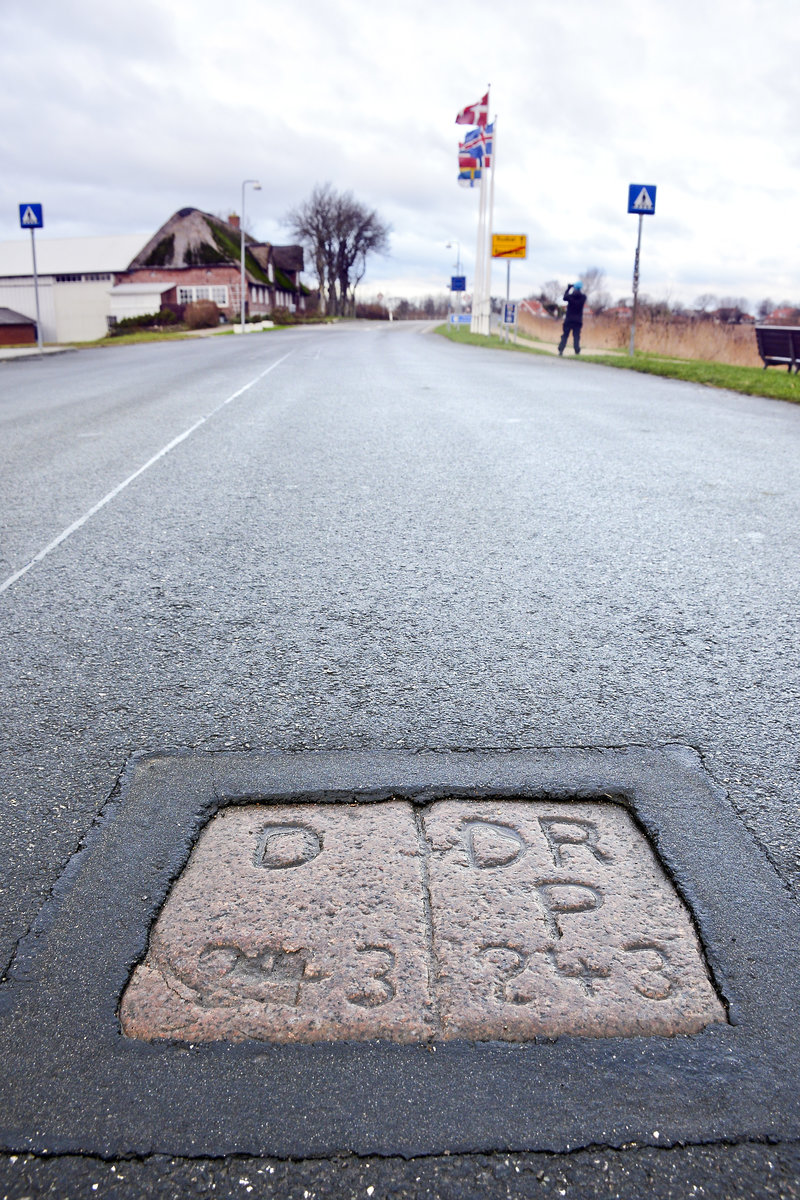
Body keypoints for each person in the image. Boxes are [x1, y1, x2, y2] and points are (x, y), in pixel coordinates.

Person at [558, 282, 586, 355]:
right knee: (576, 336)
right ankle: (577, 351)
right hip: (578, 321)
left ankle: (561, 350)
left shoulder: (571, 297)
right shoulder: (583, 297)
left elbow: (564, 297)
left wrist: (568, 288)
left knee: (565, 335)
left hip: (569, 320)